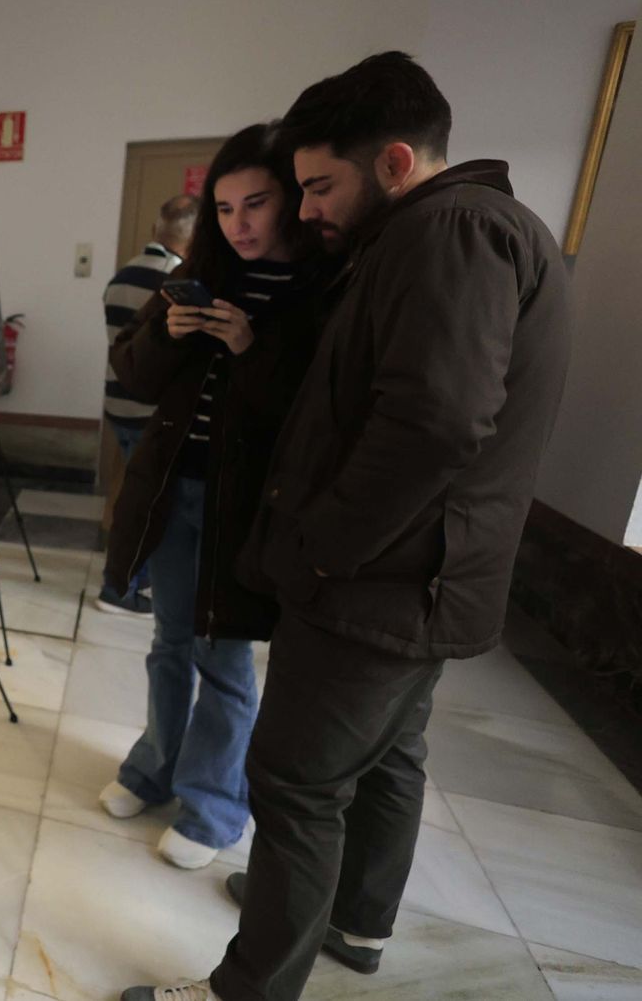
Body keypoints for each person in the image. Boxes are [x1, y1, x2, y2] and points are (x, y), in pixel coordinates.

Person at [124, 52, 571, 1001]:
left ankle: (247, 988)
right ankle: (355, 922)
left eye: (319, 186)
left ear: (397, 163)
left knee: (294, 783)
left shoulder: (447, 232)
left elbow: (433, 423)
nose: (307, 209)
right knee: (385, 758)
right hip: (421, 578)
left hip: (378, 582)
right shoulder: (476, 228)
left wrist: (317, 547)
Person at [97, 123, 327, 871]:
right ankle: (153, 769)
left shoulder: (321, 287)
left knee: (224, 657)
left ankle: (215, 807)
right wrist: (172, 330)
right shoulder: (198, 274)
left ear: (289, 200)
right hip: (172, 490)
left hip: (247, 507)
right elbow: (132, 373)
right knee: (167, 641)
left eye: (255, 204)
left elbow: (311, 416)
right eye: (225, 209)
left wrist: (247, 348)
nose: (239, 224)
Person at [97, 193, 199, 616]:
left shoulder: (122, 274)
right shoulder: (174, 281)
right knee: (149, 504)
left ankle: (129, 578)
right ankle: (122, 587)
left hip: (117, 402)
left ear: (158, 229)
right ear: (190, 239)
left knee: (133, 495)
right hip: (148, 407)